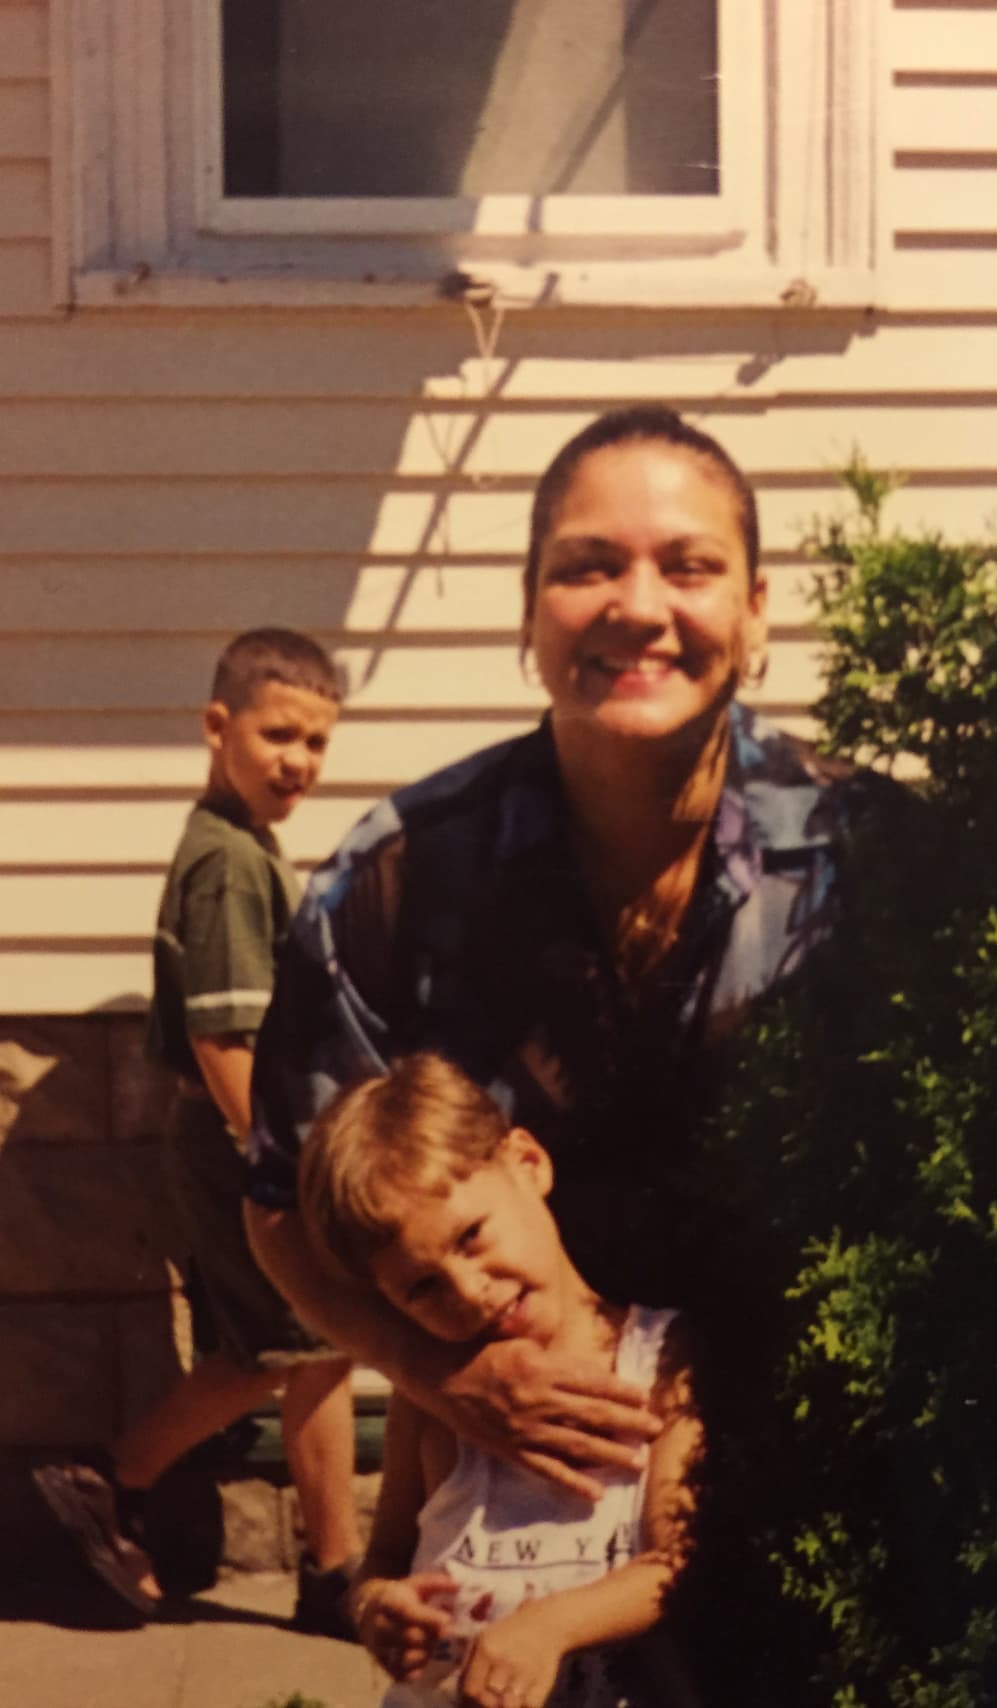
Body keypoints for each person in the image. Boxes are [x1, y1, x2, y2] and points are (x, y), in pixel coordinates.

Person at [245, 407, 899, 1493]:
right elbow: (278, 1202)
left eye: (687, 566)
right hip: (526, 1498)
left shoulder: (870, 861)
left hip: (822, 1489)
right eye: (587, 566)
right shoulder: (400, 877)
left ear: (753, 611)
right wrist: (430, 1373)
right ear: (529, 615)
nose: (637, 606)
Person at [34, 628, 362, 1634]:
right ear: (216, 726)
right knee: (302, 1346)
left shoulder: (238, 841)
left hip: (235, 1142)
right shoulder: (224, 863)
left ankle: (116, 1481)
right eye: (276, 735)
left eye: (314, 742)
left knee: (289, 1348)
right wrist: (284, 1161)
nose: (296, 761)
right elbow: (226, 1039)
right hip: (237, 1145)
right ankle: (322, 1567)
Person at [299, 1052, 700, 1708]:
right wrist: (377, 1607)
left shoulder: (660, 1360)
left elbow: (677, 1564)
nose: (470, 1292)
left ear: (527, 1164)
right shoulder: (436, 1401)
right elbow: (388, 1555)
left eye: (470, 1237)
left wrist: (552, 1627)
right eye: (423, 1287)